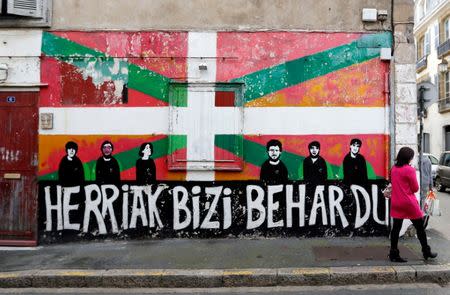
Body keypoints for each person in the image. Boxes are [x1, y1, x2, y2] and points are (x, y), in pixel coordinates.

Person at [388, 147, 437, 262]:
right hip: (408, 203)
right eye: (411, 156)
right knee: (420, 228)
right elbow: (415, 188)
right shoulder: (409, 170)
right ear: (408, 158)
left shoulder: (394, 169)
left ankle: (393, 253)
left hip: (396, 203)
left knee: (395, 229)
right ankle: (426, 251)